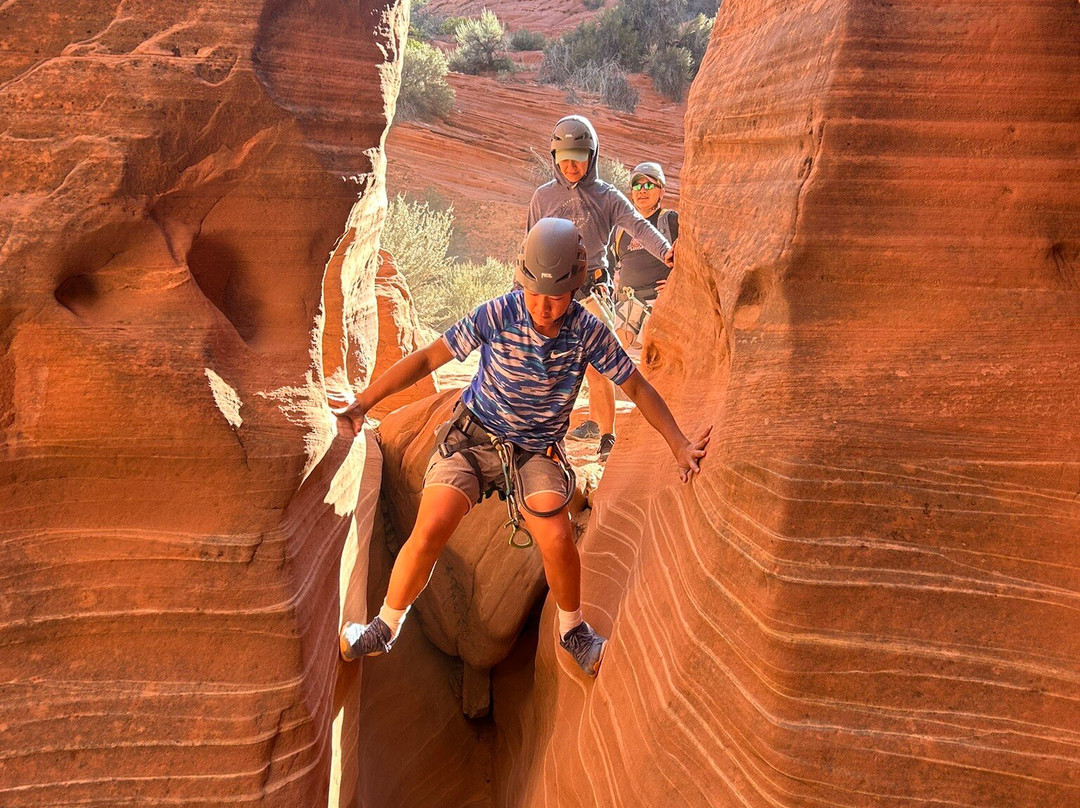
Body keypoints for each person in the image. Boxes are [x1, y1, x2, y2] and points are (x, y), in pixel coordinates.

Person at [335, 218, 708, 677]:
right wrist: (364, 402)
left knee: (558, 536)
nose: (543, 307)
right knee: (431, 525)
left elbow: (637, 386)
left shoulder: (587, 331)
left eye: (556, 296)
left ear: (576, 287)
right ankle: (385, 628)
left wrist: (679, 445)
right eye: (534, 294)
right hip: (474, 438)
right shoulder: (499, 313)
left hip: (535, 451)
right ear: (521, 281)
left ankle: (573, 632)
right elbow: (430, 357)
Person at [528, 115, 674, 462]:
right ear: (554, 157)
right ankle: (543, 439)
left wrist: (666, 251)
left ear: (592, 155)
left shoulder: (607, 196)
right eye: (564, 158)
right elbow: (530, 243)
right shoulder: (542, 196)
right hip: (549, 290)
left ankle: (608, 436)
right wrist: (520, 290)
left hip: (590, 289)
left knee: (600, 362)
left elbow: (638, 227)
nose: (571, 166)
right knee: (546, 365)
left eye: (579, 157)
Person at [611, 161, 678, 348]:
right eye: (637, 186)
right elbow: (611, 264)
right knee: (619, 361)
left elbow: (693, 260)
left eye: (649, 185)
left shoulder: (671, 221)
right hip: (625, 309)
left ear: (662, 191)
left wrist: (676, 284)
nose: (642, 191)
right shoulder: (620, 228)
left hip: (658, 306)